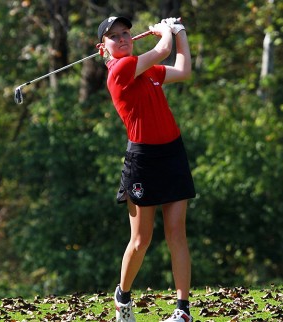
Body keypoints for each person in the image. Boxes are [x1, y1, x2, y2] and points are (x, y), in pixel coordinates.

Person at [96, 15, 195, 322]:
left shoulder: (146, 71)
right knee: (141, 240)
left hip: (172, 153)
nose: (124, 38)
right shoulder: (120, 70)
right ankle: (122, 296)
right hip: (143, 160)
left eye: (126, 33)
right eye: (115, 37)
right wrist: (164, 32)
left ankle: (182, 311)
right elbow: (163, 50)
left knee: (177, 232)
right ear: (103, 50)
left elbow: (183, 70)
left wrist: (180, 33)